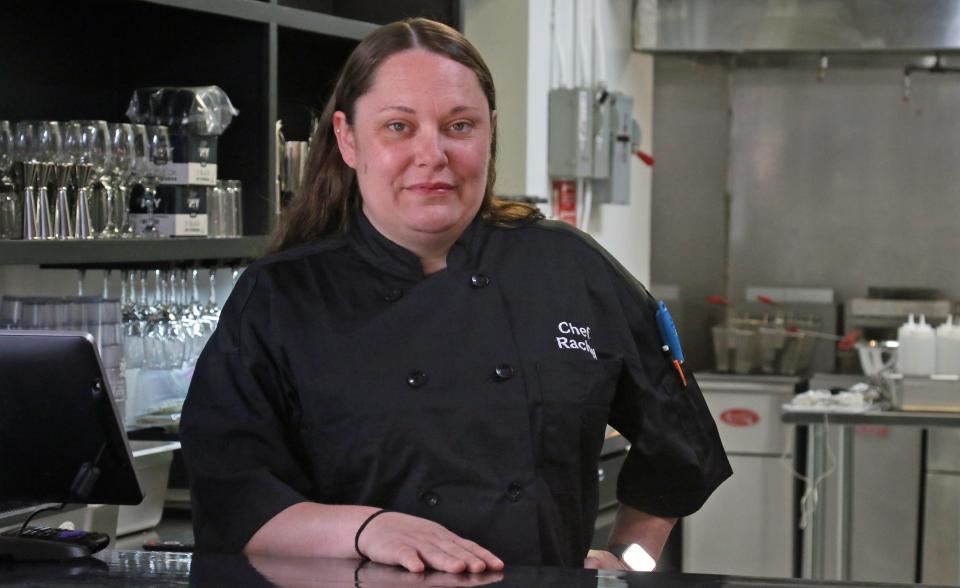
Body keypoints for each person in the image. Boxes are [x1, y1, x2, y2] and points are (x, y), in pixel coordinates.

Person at [180, 17, 731, 574]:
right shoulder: (281, 296)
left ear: (490, 130)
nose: (432, 154)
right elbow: (234, 500)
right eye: (399, 126)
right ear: (348, 139)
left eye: (459, 125)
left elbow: (680, 447)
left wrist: (627, 563)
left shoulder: (569, 268)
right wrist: (367, 529)